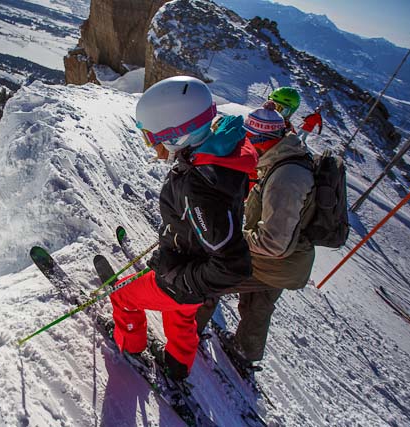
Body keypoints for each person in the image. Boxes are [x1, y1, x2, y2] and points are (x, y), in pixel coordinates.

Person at [108, 76, 258, 381]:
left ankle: (130, 344)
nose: (154, 145)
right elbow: (214, 223)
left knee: (122, 296)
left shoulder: (199, 186)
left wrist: (178, 276)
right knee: (181, 316)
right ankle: (177, 364)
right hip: (191, 269)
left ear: (179, 134)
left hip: (182, 276)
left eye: (154, 137)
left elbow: (233, 266)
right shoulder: (221, 153)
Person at [195, 101, 316, 365]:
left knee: (209, 277)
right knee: (258, 304)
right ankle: (245, 350)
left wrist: (232, 237)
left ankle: (186, 334)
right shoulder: (287, 156)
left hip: (278, 261)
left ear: (262, 140)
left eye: (250, 140)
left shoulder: (286, 177)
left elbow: (273, 243)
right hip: (291, 262)